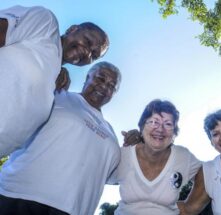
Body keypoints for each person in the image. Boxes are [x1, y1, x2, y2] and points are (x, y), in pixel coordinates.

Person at [0, 61, 121, 215]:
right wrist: (51, 75)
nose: (105, 86)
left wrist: (138, 146)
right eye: (100, 78)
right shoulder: (59, 95)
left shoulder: (111, 133)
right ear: (87, 77)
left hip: (72, 209)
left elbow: (114, 177)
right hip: (20, 196)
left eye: (112, 86)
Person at [0, 5, 109, 158]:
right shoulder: (46, 23)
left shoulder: (58, 84)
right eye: (88, 41)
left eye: (94, 55)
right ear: (72, 29)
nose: (87, 52)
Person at [114, 99, 201, 215]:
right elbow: (94, 175)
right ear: (142, 126)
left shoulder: (183, 156)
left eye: (168, 124)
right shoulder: (123, 156)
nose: (160, 129)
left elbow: (206, 172)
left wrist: (191, 207)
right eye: (154, 122)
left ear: (174, 133)